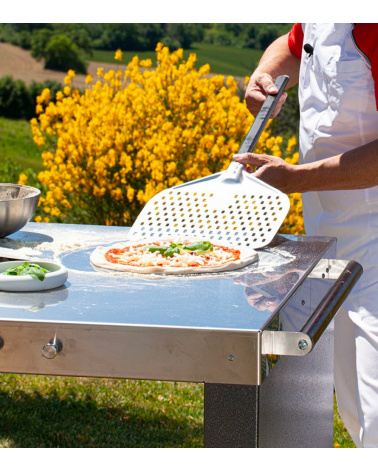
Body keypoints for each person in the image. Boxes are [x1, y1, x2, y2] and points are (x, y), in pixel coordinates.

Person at [233, 23, 378, 448]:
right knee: (352, 403)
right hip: (330, 234)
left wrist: (295, 178)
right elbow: (296, 46)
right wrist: (263, 75)